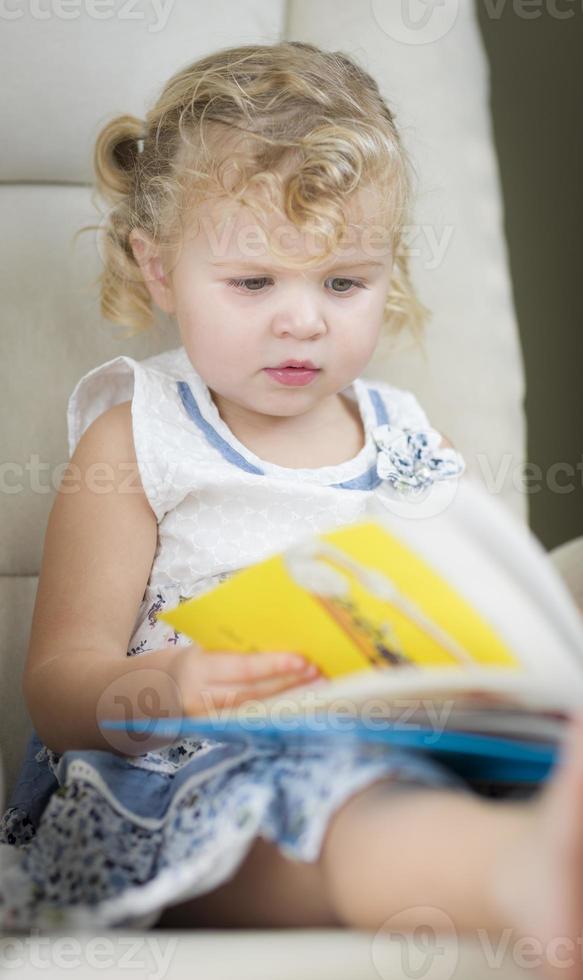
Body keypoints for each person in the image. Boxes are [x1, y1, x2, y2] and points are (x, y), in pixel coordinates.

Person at [1, 40, 581, 980]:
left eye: (343, 281)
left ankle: (522, 850)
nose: (304, 319)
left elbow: (477, 602)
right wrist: (169, 688)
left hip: (390, 751)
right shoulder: (139, 435)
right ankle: (519, 883)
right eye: (254, 282)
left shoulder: (405, 441)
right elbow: (59, 683)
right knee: (336, 805)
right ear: (159, 269)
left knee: (431, 778)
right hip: (184, 781)